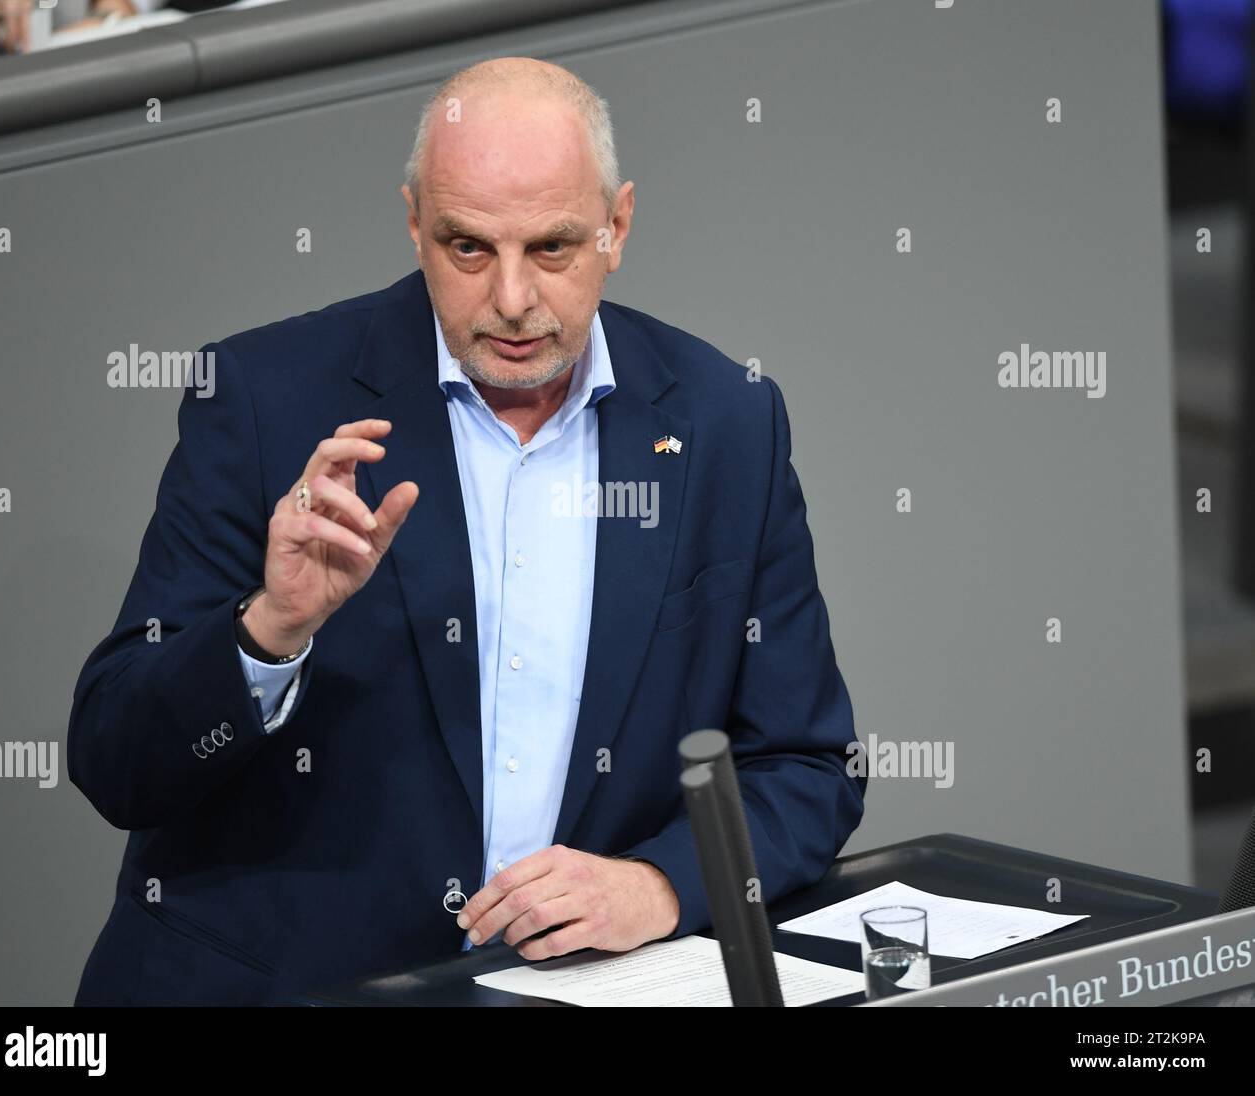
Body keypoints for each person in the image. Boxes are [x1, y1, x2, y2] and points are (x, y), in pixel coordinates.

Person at [69, 55, 866, 1005]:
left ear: (618, 225)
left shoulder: (726, 425)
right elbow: (116, 762)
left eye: (555, 249)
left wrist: (658, 885)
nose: (515, 300)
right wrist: (269, 631)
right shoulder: (261, 400)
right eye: (469, 249)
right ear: (414, 223)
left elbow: (808, 768)